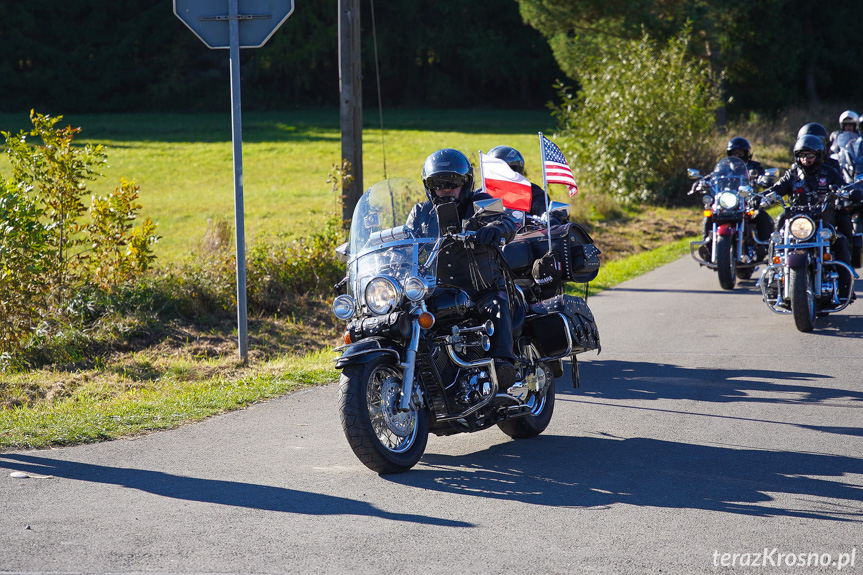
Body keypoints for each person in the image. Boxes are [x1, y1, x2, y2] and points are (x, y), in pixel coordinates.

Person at [406, 148, 520, 388]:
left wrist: (497, 228)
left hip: (480, 287)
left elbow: (508, 220)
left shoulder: (480, 203)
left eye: (453, 182)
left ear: (466, 183)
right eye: (438, 183)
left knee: (496, 305)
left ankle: (502, 364)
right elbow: (405, 242)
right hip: (436, 290)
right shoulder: (420, 213)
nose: (446, 189)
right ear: (429, 186)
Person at [762, 134, 858, 298]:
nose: (806, 159)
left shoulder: (829, 172)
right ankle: (773, 281)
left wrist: (851, 192)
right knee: (776, 239)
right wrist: (761, 197)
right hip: (798, 224)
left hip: (823, 222)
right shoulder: (792, 174)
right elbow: (777, 189)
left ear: (819, 155)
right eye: (802, 155)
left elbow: (844, 187)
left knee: (841, 242)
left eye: (810, 155)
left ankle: (845, 287)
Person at [699, 137, 774, 259]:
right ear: (729, 154)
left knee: (761, 215)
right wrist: (702, 182)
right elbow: (713, 176)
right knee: (709, 215)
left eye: (739, 153)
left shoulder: (753, 166)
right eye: (734, 153)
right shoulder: (724, 167)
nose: (737, 155)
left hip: (747, 201)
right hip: (727, 200)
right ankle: (707, 246)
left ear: (746, 153)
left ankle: (764, 246)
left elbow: (763, 174)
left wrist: (764, 179)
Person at [487, 145, 564, 222]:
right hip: (489, 233)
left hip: (525, 232)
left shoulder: (531, 191)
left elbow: (540, 206)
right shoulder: (484, 192)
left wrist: (547, 216)